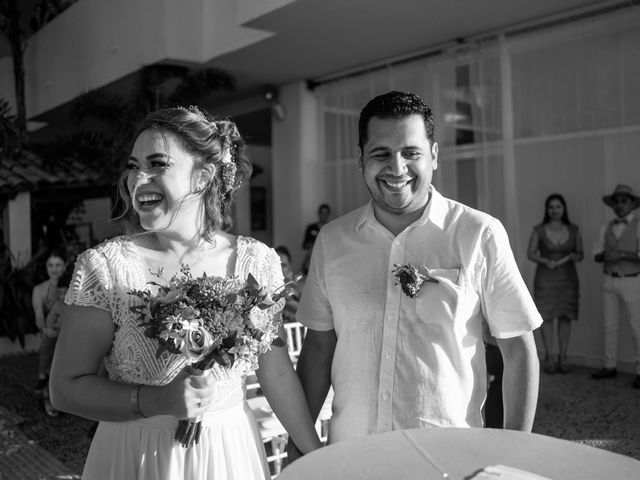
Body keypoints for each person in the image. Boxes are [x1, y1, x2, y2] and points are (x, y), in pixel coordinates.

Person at [50, 106, 321, 480]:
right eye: (133, 166)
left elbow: (276, 375)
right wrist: (153, 400)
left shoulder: (256, 263)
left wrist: (316, 454)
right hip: (136, 459)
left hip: (229, 456)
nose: (137, 178)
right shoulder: (105, 268)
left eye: (157, 164)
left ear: (203, 176)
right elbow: (64, 388)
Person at [288, 91, 541, 458]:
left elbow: (519, 351)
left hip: (447, 457)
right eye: (380, 154)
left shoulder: (477, 233)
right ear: (361, 160)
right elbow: (318, 349)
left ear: (434, 156)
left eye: (411, 152)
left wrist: (514, 455)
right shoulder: (332, 240)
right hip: (353, 456)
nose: (396, 168)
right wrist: (300, 440)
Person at [527, 194, 583, 374]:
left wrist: (575, 256)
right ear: (547, 209)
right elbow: (530, 253)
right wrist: (545, 261)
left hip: (568, 279)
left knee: (565, 316)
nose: (555, 210)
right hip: (545, 278)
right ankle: (550, 356)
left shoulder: (574, 230)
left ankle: (563, 357)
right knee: (547, 317)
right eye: (551, 207)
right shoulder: (538, 230)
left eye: (558, 206)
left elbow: (580, 253)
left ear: (564, 208)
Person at [591, 184, 640, 389]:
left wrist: (621, 255)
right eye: (617, 201)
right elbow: (596, 254)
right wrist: (605, 256)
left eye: (624, 201)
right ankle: (609, 365)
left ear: (631, 204)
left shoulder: (638, 225)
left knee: (636, 326)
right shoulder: (606, 226)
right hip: (609, 279)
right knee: (609, 324)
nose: (620, 205)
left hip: (632, 280)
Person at [31, 249, 67, 417]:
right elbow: (39, 316)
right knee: (50, 348)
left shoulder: (70, 287)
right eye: (50, 265)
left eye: (58, 265)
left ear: (64, 266)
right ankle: (48, 395)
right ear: (45, 267)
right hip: (48, 331)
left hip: (67, 333)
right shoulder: (39, 290)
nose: (54, 269)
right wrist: (45, 329)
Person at [275, 245, 302, 323]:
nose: (280, 268)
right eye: (277, 263)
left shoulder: (299, 287)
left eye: (284, 265)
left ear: (290, 266)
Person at [301, 204, 331, 274]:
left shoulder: (330, 228)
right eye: (322, 212)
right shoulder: (311, 227)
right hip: (312, 258)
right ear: (319, 213)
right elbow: (304, 245)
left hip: (327, 258)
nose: (324, 215)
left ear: (328, 214)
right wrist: (314, 244)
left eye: (326, 213)